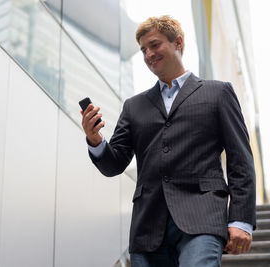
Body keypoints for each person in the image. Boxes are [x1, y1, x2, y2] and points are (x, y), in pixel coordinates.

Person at [80, 15, 256, 267]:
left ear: (178, 42)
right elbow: (114, 164)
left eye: (154, 45)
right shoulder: (134, 106)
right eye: (143, 50)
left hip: (202, 217)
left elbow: (240, 159)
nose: (148, 54)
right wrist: (95, 140)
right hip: (148, 224)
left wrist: (240, 220)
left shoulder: (218, 92)